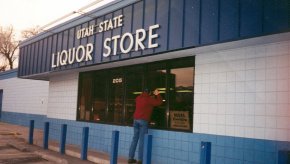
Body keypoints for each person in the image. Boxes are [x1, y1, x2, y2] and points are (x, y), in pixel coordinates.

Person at [128, 88, 163, 164]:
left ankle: (130, 158)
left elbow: (143, 102)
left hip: (135, 120)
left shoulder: (138, 98)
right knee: (142, 140)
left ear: (142, 92)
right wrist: (157, 94)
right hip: (143, 121)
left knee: (135, 139)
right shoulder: (149, 99)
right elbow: (159, 102)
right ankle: (140, 160)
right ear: (149, 93)